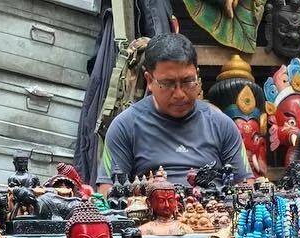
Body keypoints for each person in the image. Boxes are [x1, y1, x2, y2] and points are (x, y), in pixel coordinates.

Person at [97, 34, 251, 190]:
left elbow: (245, 187)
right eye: (167, 83)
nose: (179, 94)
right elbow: (107, 192)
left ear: (197, 75)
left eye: (188, 81)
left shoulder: (222, 125)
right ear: (149, 80)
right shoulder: (124, 127)